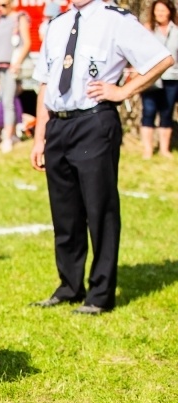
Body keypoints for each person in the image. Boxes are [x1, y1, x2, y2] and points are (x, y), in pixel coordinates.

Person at [30, 0, 174, 315]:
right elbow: (44, 83)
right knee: (64, 212)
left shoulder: (115, 20)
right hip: (58, 124)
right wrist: (40, 137)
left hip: (94, 122)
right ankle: (69, 286)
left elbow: (161, 59)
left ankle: (100, 294)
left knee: (100, 209)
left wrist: (123, 92)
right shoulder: (57, 24)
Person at [0, 0, 31, 154]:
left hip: (12, 66)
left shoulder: (20, 18)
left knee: (8, 101)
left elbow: (27, 43)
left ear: (12, 3)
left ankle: (8, 139)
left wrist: (17, 62)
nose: (0, 8)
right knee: (2, 99)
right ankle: (9, 135)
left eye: (4, 5)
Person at [141, 0, 178, 159]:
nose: (160, 14)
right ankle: (148, 150)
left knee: (167, 112)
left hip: (172, 77)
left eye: (163, 10)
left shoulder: (176, 30)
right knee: (148, 111)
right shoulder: (147, 30)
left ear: (169, 11)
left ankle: (164, 150)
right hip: (151, 78)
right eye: (158, 11)